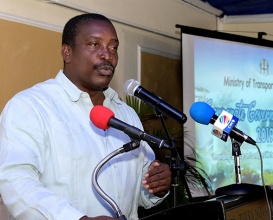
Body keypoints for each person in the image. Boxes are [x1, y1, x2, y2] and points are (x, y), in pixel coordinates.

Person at [0, 13, 172, 220]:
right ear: (67, 53)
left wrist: (156, 186)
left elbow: (142, 195)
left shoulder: (127, 114)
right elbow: (15, 181)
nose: (107, 55)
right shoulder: (31, 106)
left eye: (113, 47)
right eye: (94, 44)